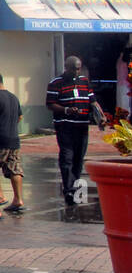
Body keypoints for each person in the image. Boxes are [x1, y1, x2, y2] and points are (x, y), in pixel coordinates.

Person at [47, 55, 105, 207]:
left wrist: (101, 115)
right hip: (65, 126)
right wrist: (66, 110)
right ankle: (68, 190)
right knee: (67, 158)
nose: (77, 72)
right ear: (67, 68)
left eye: (79, 69)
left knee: (79, 158)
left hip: (82, 126)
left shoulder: (84, 81)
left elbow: (92, 101)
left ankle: (75, 188)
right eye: (74, 69)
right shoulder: (56, 83)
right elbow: (50, 104)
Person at [0, 71, 24, 213]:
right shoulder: (13, 97)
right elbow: (20, 117)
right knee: (15, 169)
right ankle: (18, 199)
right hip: (14, 139)